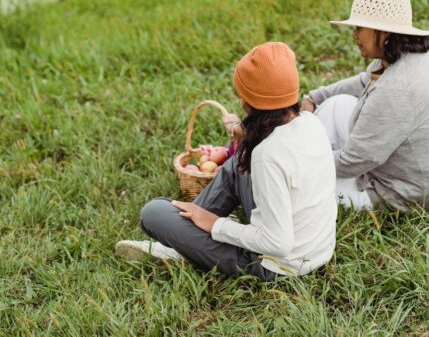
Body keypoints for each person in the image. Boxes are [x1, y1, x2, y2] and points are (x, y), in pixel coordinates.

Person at [116, 42, 337, 280]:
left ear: (247, 100)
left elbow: (277, 243)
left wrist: (215, 224)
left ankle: (183, 248)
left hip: (277, 266)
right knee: (239, 162)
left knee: (153, 213)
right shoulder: (309, 122)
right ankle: (190, 240)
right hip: (317, 249)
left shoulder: (268, 154)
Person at [302, 0, 429, 211]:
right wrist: (315, 97)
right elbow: (363, 81)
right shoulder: (406, 58)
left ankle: (293, 159)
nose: (354, 35)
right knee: (334, 104)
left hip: (408, 192)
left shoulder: (396, 89)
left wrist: (300, 164)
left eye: (360, 28)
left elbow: (353, 160)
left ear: (384, 32)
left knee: (303, 194)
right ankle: (302, 148)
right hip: (413, 168)